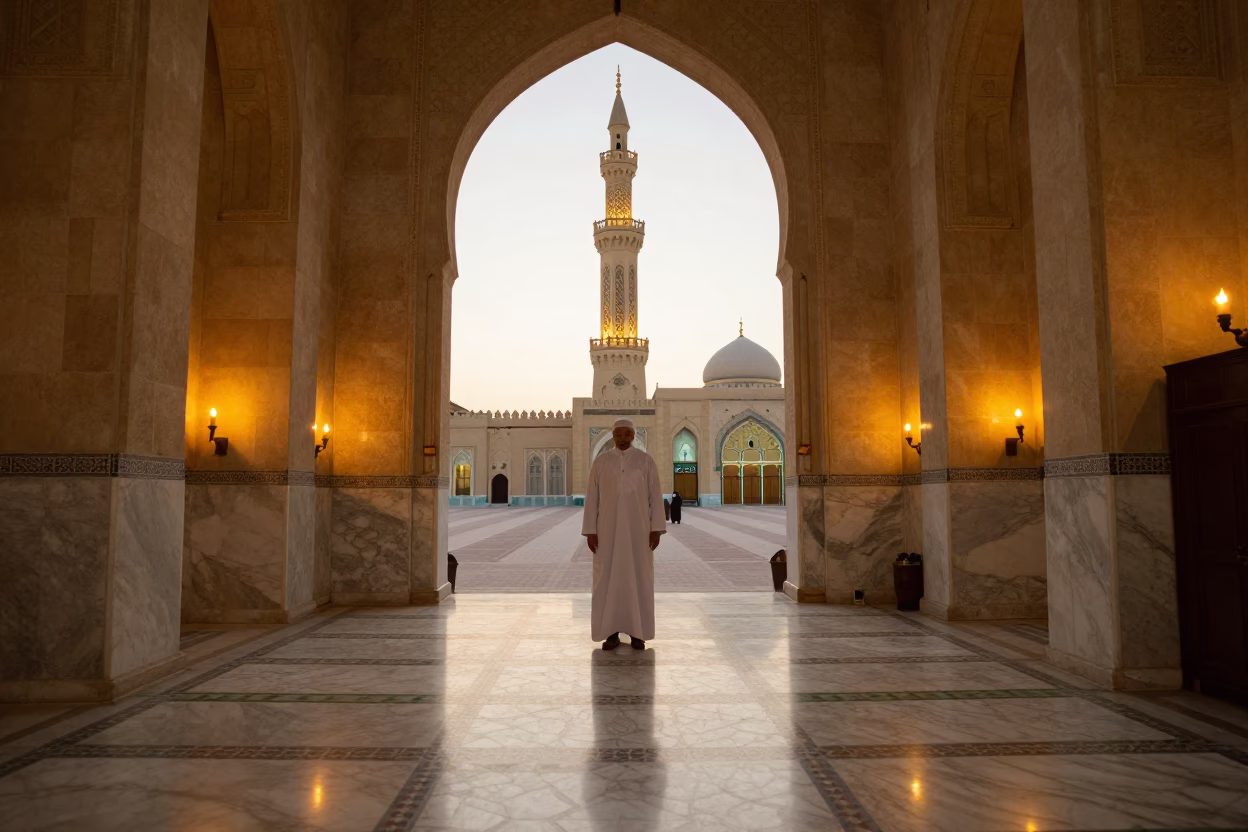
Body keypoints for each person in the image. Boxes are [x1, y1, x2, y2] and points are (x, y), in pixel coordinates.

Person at [582, 419, 665, 650]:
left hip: (639, 531)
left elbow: (655, 496)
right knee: (607, 579)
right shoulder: (601, 462)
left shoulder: (645, 461)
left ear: (633, 435)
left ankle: (638, 633)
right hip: (606, 531)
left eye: (628, 434)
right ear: (613, 435)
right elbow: (592, 499)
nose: (623, 438)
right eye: (619, 434)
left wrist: (656, 528)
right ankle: (611, 632)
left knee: (639, 578)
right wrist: (590, 531)